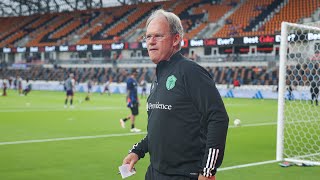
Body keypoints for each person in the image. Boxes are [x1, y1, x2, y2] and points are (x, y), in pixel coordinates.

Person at [122, 9, 229, 180]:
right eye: (148, 37)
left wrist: (208, 171)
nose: (151, 42)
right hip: (155, 173)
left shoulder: (191, 71)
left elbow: (218, 118)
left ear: (176, 39)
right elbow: (160, 128)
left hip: (184, 175)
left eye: (158, 36)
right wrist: (138, 150)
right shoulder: (158, 77)